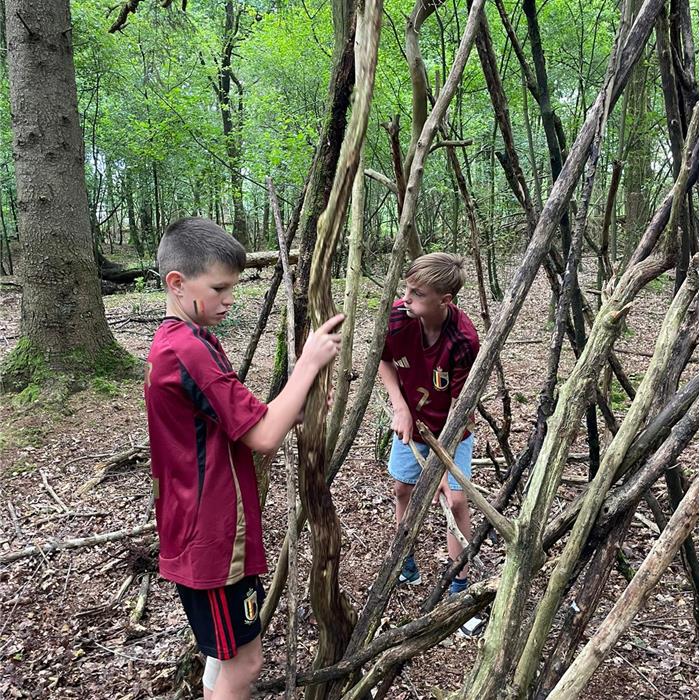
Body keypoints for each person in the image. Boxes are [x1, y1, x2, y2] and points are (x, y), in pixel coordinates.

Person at [145, 217, 343, 700]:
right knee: (244, 662)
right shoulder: (187, 350)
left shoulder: (185, 341)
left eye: (233, 287)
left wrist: (292, 406)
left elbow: (240, 418)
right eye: (219, 288)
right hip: (210, 540)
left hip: (213, 529)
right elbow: (263, 436)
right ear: (177, 283)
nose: (229, 299)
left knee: (225, 654)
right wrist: (309, 364)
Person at [378, 252, 480, 610]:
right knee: (402, 488)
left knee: (453, 500)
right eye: (407, 288)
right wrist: (400, 408)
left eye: (417, 293)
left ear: (445, 300)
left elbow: (459, 408)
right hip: (412, 424)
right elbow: (385, 360)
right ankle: (405, 556)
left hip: (451, 428)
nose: (407, 298)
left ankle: (458, 585)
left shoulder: (463, 341)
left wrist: (441, 459)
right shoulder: (398, 316)